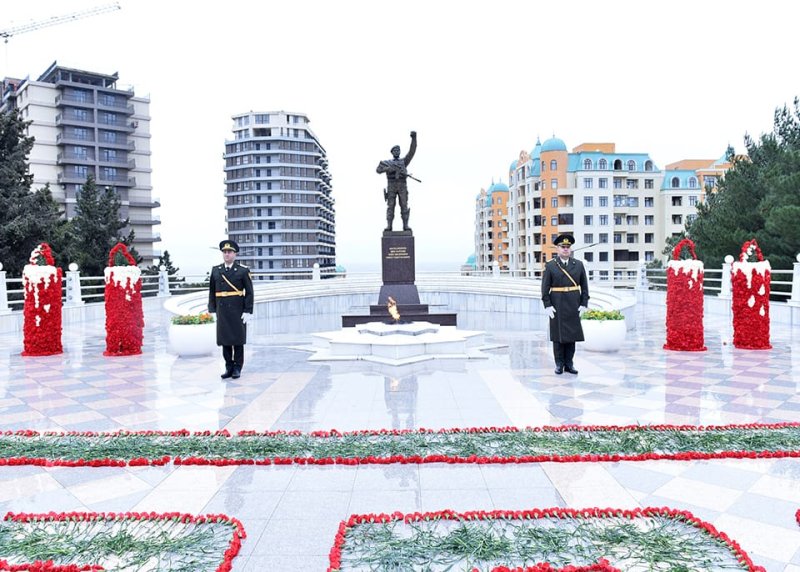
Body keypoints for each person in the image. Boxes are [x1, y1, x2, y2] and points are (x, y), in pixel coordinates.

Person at [541, 234, 589, 375]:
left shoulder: (578, 264)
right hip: (557, 303)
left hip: (573, 303)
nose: (566, 249)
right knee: (558, 336)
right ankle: (559, 364)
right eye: (563, 247)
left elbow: (584, 286)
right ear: (557, 248)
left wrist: (584, 303)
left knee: (571, 336)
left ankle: (569, 364)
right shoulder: (551, 265)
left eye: (568, 247)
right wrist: (547, 305)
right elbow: (545, 287)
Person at [208, 240, 254, 379]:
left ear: (235, 254)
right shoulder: (216, 270)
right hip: (222, 311)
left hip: (237, 310)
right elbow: (212, 292)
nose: (227, 254)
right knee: (225, 341)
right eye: (224, 252)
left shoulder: (243, 271)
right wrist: (212, 310)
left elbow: (249, 292)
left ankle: (237, 368)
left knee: (238, 340)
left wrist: (248, 310)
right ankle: (229, 367)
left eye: (229, 252)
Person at [377, 131, 417, 231]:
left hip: (402, 185)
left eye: (398, 150)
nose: (397, 152)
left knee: (404, 205)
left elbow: (412, 152)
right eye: (395, 150)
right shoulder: (387, 162)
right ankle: (389, 225)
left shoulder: (403, 161)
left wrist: (414, 138)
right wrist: (388, 169)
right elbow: (378, 170)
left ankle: (405, 225)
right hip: (391, 185)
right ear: (392, 152)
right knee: (390, 206)